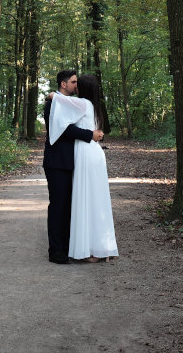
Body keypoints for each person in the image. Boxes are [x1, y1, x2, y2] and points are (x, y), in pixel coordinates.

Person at [48, 73, 118, 263]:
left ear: (83, 88)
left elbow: (55, 98)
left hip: (86, 154)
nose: (76, 85)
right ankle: (102, 247)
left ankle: (93, 249)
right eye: (74, 82)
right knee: (97, 201)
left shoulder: (81, 103)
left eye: (78, 83)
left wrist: (51, 95)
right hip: (93, 152)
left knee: (87, 201)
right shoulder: (93, 105)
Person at [42, 69, 102, 265]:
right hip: (57, 162)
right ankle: (55, 251)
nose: (77, 86)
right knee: (58, 206)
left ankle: (68, 246)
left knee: (69, 206)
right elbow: (65, 129)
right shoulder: (53, 104)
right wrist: (89, 135)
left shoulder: (73, 103)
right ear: (63, 84)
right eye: (74, 82)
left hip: (73, 162)